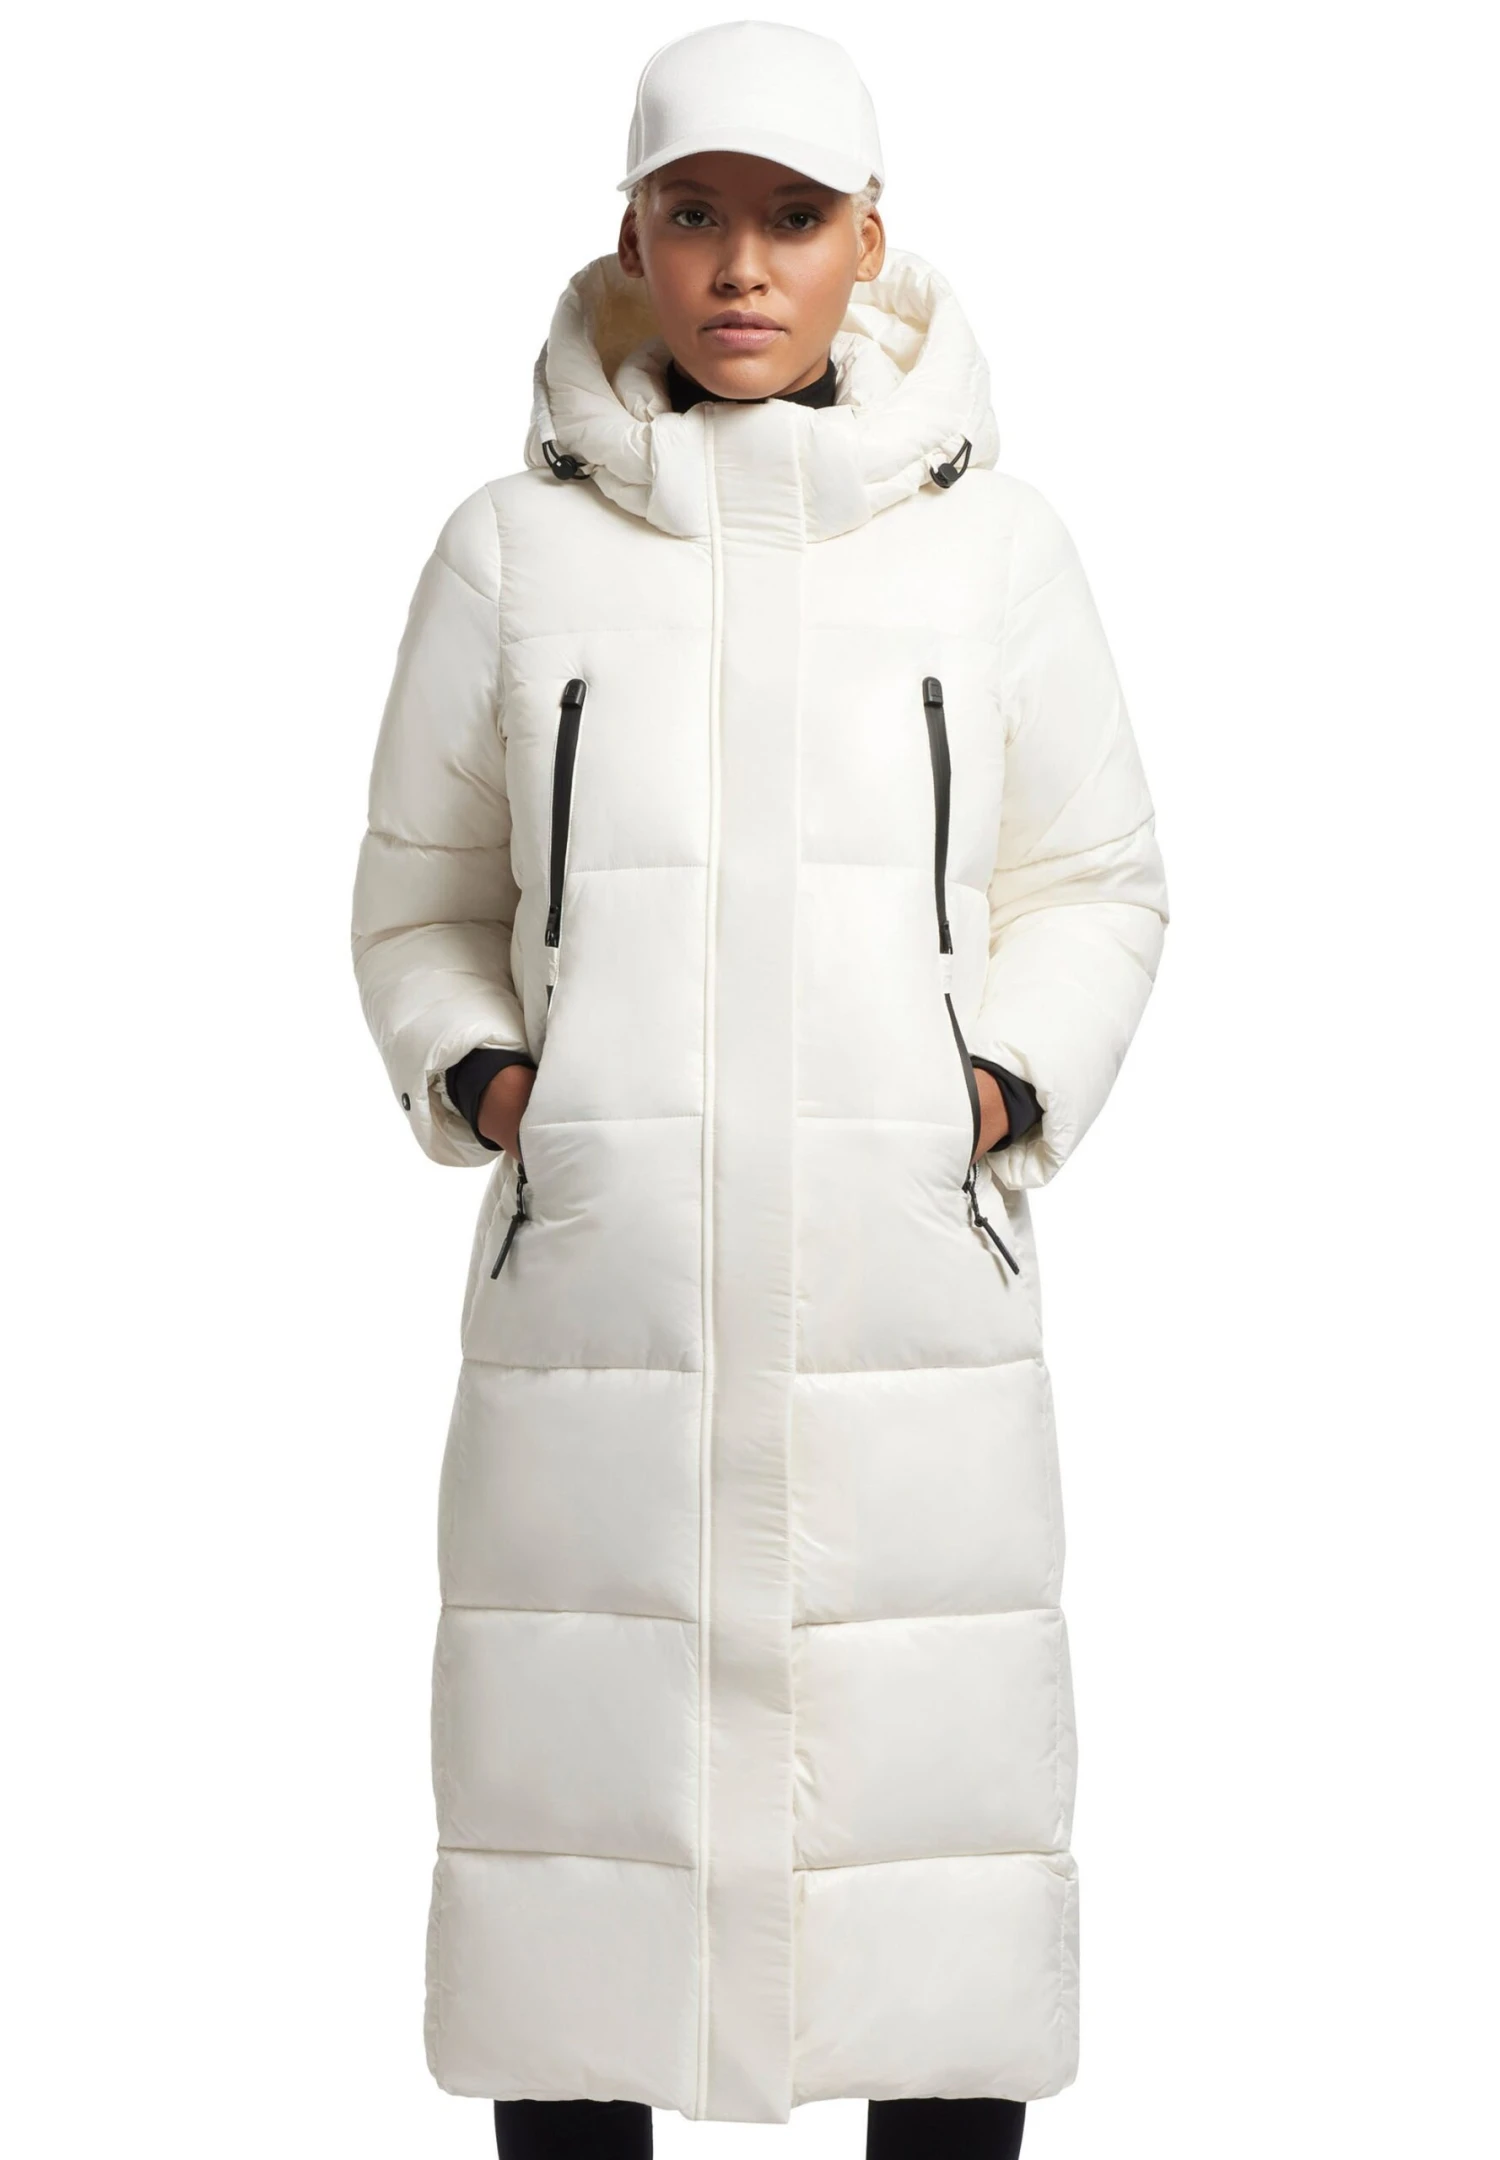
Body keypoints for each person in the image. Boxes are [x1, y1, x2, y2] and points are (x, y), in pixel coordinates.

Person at [350, 21, 1169, 2159]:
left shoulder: (997, 554)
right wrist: (500, 1083)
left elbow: (1096, 883)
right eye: (695, 213)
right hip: (600, 1306)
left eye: (793, 219)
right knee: (573, 1826)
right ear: (630, 236)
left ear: (869, 244)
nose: (740, 265)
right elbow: (423, 900)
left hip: (911, 1300)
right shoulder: (508, 556)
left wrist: (993, 1091)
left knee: (934, 1828)